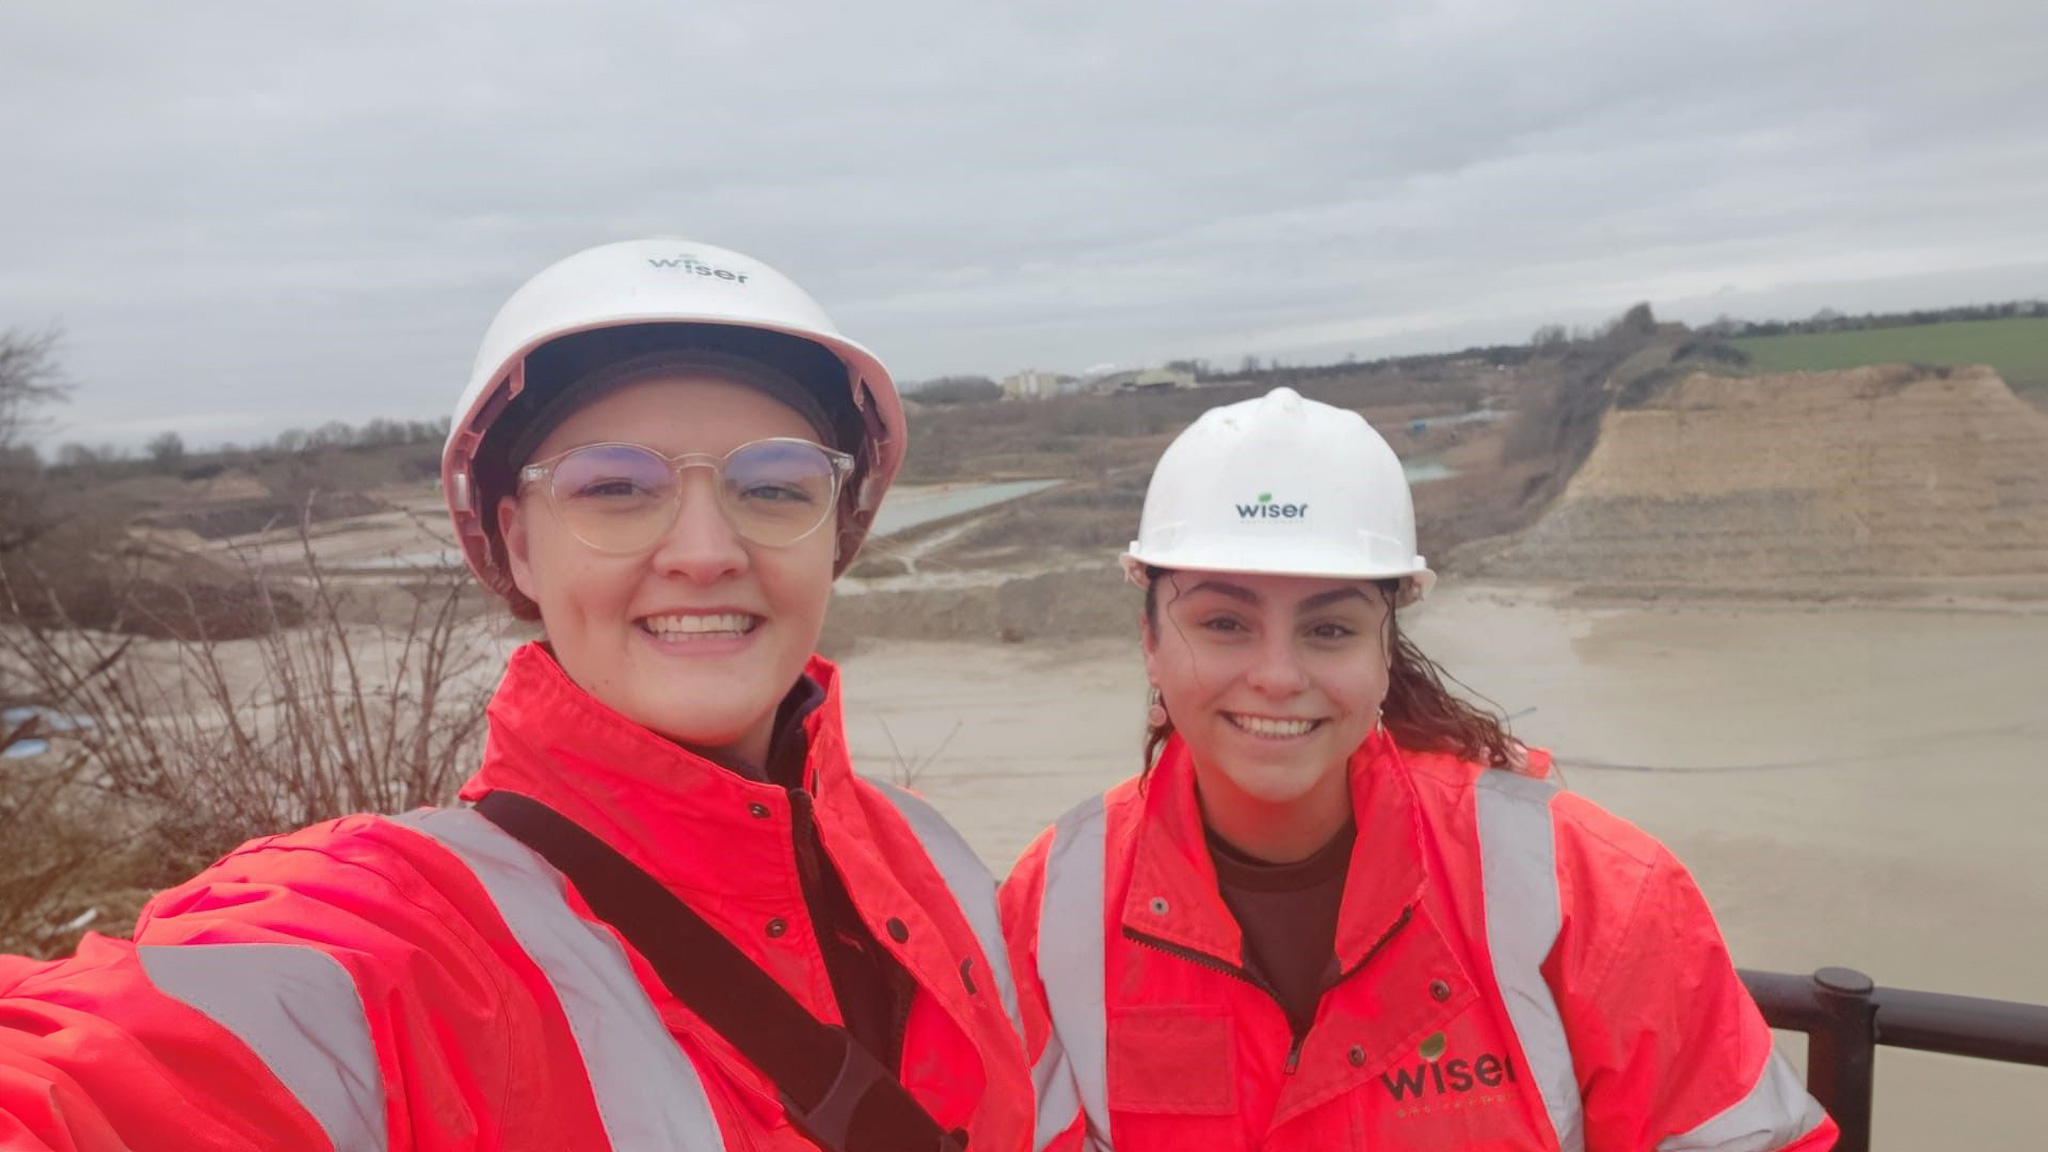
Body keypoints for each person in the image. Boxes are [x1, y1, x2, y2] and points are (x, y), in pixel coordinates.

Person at [0, 240, 1033, 1151]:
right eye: (613, 488)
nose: (707, 551)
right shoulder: (402, 940)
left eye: (774, 485)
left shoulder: (926, 855)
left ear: (836, 533)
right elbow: (99, 1082)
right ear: (514, 543)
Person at [1000, 387, 1836, 1151]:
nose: (1278, 675)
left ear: (1384, 655)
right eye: (1223, 622)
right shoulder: (1056, 909)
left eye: (1329, 630)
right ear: (1149, 641)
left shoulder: (1585, 892)